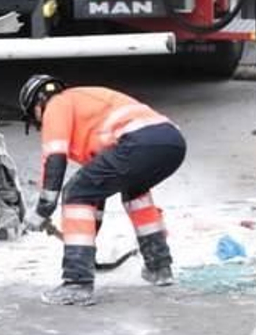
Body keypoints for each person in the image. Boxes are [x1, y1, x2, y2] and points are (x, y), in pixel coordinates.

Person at [20, 76, 187, 306]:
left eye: (35, 117)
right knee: (135, 193)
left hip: (137, 142)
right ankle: (159, 267)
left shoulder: (56, 105)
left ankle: (77, 284)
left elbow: (55, 160)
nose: (39, 123)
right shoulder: (84, 102)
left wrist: (42, 210)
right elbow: (96, 195)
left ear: (37, 105)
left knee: (76, 193)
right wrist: (85, 244)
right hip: (171, 142)